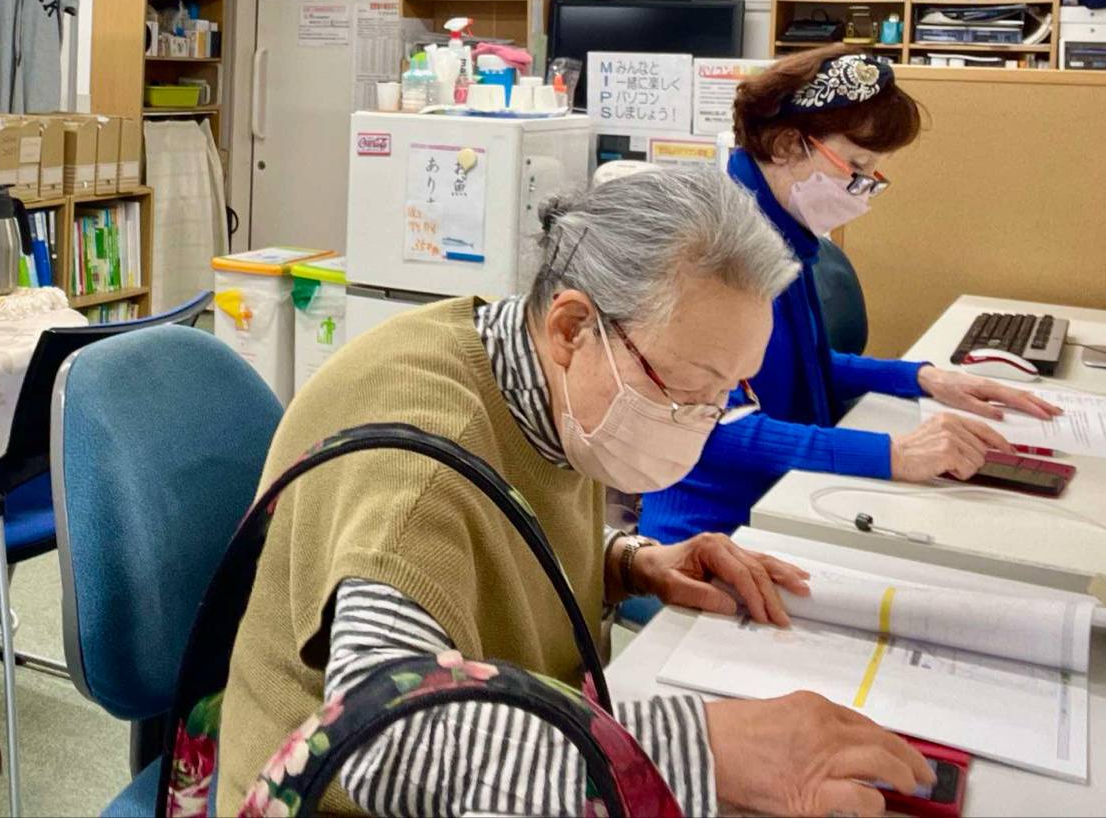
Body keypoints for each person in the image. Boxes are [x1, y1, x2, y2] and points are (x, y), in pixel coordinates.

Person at [218, 166, 936, 817]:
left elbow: (492, 531)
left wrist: (628, 562)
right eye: (687, 390)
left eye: (726, 393)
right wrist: (706, 750)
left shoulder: (535, 375)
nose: (702, 420)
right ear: (572, 327)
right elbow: (387, 739)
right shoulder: (420, 459)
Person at [641, 46, 1061, 545]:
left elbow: (791, 368)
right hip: (710, 533)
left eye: (872, 175)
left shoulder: (778, 230)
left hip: (784, 497)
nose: (862, 189)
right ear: (787, 144)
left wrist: (922, 378)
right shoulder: (712, 249)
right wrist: (892, 454)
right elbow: (710, 426)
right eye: (856, 166)